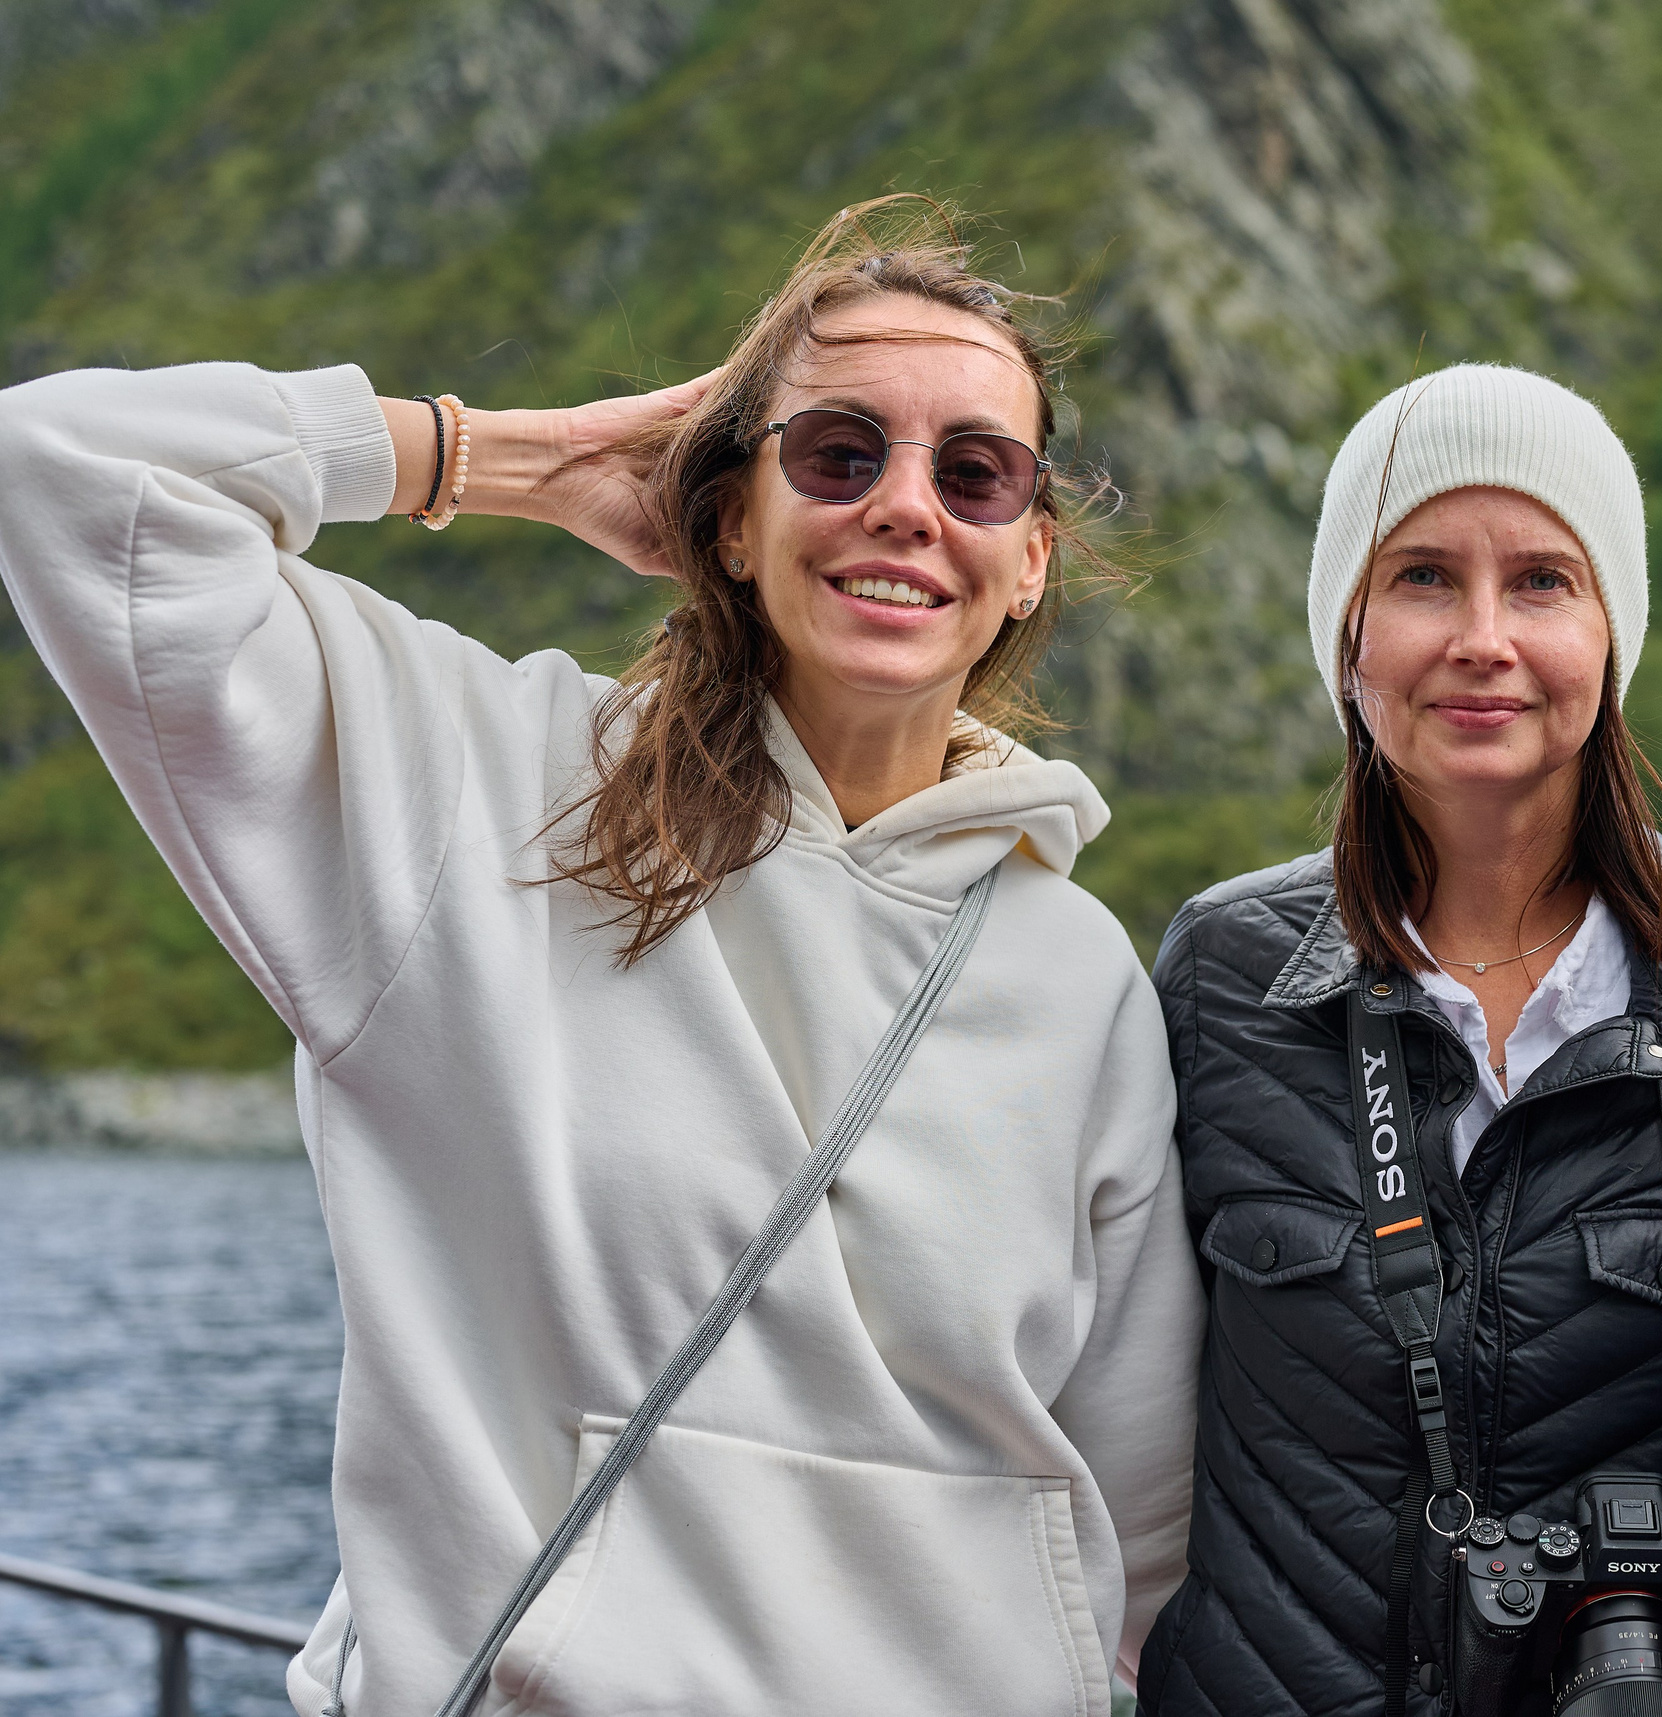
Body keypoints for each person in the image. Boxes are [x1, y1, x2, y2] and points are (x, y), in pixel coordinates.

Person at [0, 197, 1203, 1716]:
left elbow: (1142, 1524)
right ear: (726, 517)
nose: (909, 505)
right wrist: (500, 456)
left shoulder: (1084, 975)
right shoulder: (473, 794)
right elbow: (65, 471)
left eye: (975, 473)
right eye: (839, 453)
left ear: (1028, 558)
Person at [1136, 364, 1662, 1715]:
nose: (1484, 636)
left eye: (1545, 580)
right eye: (1424, 576)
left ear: (1612, 634)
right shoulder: (1223, 979)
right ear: (1348, 636)